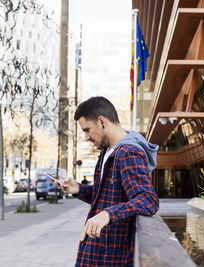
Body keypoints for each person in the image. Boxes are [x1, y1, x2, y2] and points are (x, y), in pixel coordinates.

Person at [54, 96, 159, 266]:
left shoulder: (128, 152)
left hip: (112, 256)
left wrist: (108, 214)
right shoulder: (107, 151)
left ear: (101, 121)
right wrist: (78, 189)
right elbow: (108, 196)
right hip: (98, 251)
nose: (86, 137)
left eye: (87, 130)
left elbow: (148, 200)